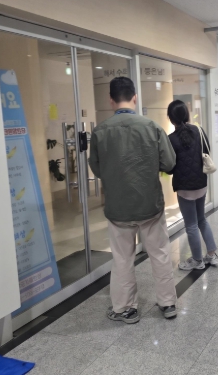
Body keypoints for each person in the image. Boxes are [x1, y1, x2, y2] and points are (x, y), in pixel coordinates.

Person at [89, 77, 177, 324]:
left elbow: (97, 169)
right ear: (134, 98)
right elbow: (169, 163)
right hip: (150, 205)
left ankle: (126, 309)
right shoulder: (152, 127)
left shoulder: (100, 132)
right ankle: (168, 303)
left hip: (118, 207)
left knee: (122, 259)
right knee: (160, 254)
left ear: (111, 100)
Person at [166, 100, 218, 270]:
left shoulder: (171, 139)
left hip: (185, 189)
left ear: (170, 118)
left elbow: (169, 167)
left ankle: (197, 260)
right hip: (201, 183)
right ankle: (211, 255)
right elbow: (207, 150)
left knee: (191, 225)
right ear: (187, 115)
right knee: (202, 219)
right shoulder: (199, 131)